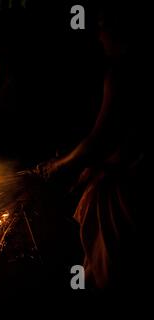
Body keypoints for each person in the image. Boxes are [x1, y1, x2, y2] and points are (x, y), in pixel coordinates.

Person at [35, 12, 148, 289]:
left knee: (113, 268)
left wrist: (59, 166)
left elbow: (100, 139)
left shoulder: (122, 73)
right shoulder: (125, 70)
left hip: (129, 187)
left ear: (117, 31)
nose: (98, 36)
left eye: (101, 27)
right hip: (129, 179)